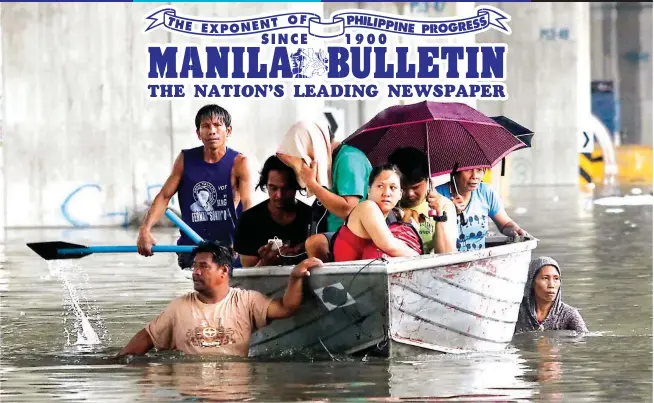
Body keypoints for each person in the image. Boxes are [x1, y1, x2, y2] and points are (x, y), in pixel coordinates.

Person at [117, 241, 322, 357]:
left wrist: (295, 278)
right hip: (192, 393)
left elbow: (286, 308)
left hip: (235, 392)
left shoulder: (246, 301)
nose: (195, 272)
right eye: (194, 266)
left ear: (223, 270)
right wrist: (119, 362)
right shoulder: (178, 308)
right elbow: (146, 338)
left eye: (203, 266)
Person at [136, 105, 252, 270]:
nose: (212, 131)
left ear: (229, 131)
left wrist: (247, 241)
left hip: (228, 249)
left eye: (218, 125)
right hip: (192, 249)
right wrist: (145, 230)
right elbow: (164, 197)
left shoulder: (239, 162)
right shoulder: (185, 159)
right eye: (205, 126)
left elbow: (248, 205)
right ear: (198, 133)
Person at [277, 121, 373, 261]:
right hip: (338, 237)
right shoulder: (331, 163)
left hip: (358, 238)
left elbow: (348, 210)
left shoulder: (349, 159)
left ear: (313, 147)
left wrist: (313, 184)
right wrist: (301, 247)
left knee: (314, 243)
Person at [233, 155, 311, 267]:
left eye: (285, 189)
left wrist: (300, 252)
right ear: (266, 185)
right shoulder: (249, 220)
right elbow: (248, 274)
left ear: (297, 186)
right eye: (273, 188)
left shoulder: (312, 217)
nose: (279, 195)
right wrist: (265, 262)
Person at [332, 164, 420, 262]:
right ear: (369, 190)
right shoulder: (367, 207)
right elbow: (390, 246)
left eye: (393, 187)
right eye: (380, 186)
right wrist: (422, 260)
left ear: (400, 194)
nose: (386, 193)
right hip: (347, 275)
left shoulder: (394, 215)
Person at [431, 168, 527, 252]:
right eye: (468, 170)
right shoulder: (436, 196)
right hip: (448, 263)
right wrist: (450, 212)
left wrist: (514, 229)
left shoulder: (486, 192)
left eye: (479, 170)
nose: (475, 176)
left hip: (479, 262)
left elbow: (505, 224)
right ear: (454, 172)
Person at [387, 147, 457, 254]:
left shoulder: (445, 206)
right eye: (403, 188)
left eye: (416, 187)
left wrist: (440, 217)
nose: (410, 193)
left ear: (428, 181)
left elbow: (446, 254)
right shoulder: (387, 206)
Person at [514, 256, 588, 333]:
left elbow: (583, 340)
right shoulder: (516, 312)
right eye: (545, 278)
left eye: (556, 278)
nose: (551, 285)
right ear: (531, 282)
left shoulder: (569, 314)